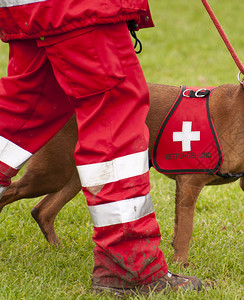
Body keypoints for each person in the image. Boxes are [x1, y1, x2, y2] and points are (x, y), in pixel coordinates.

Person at [0, 0, 201, 296]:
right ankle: (129, 264)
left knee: (28, 106)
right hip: (78, 8)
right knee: (113, 114)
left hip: (33, 7)